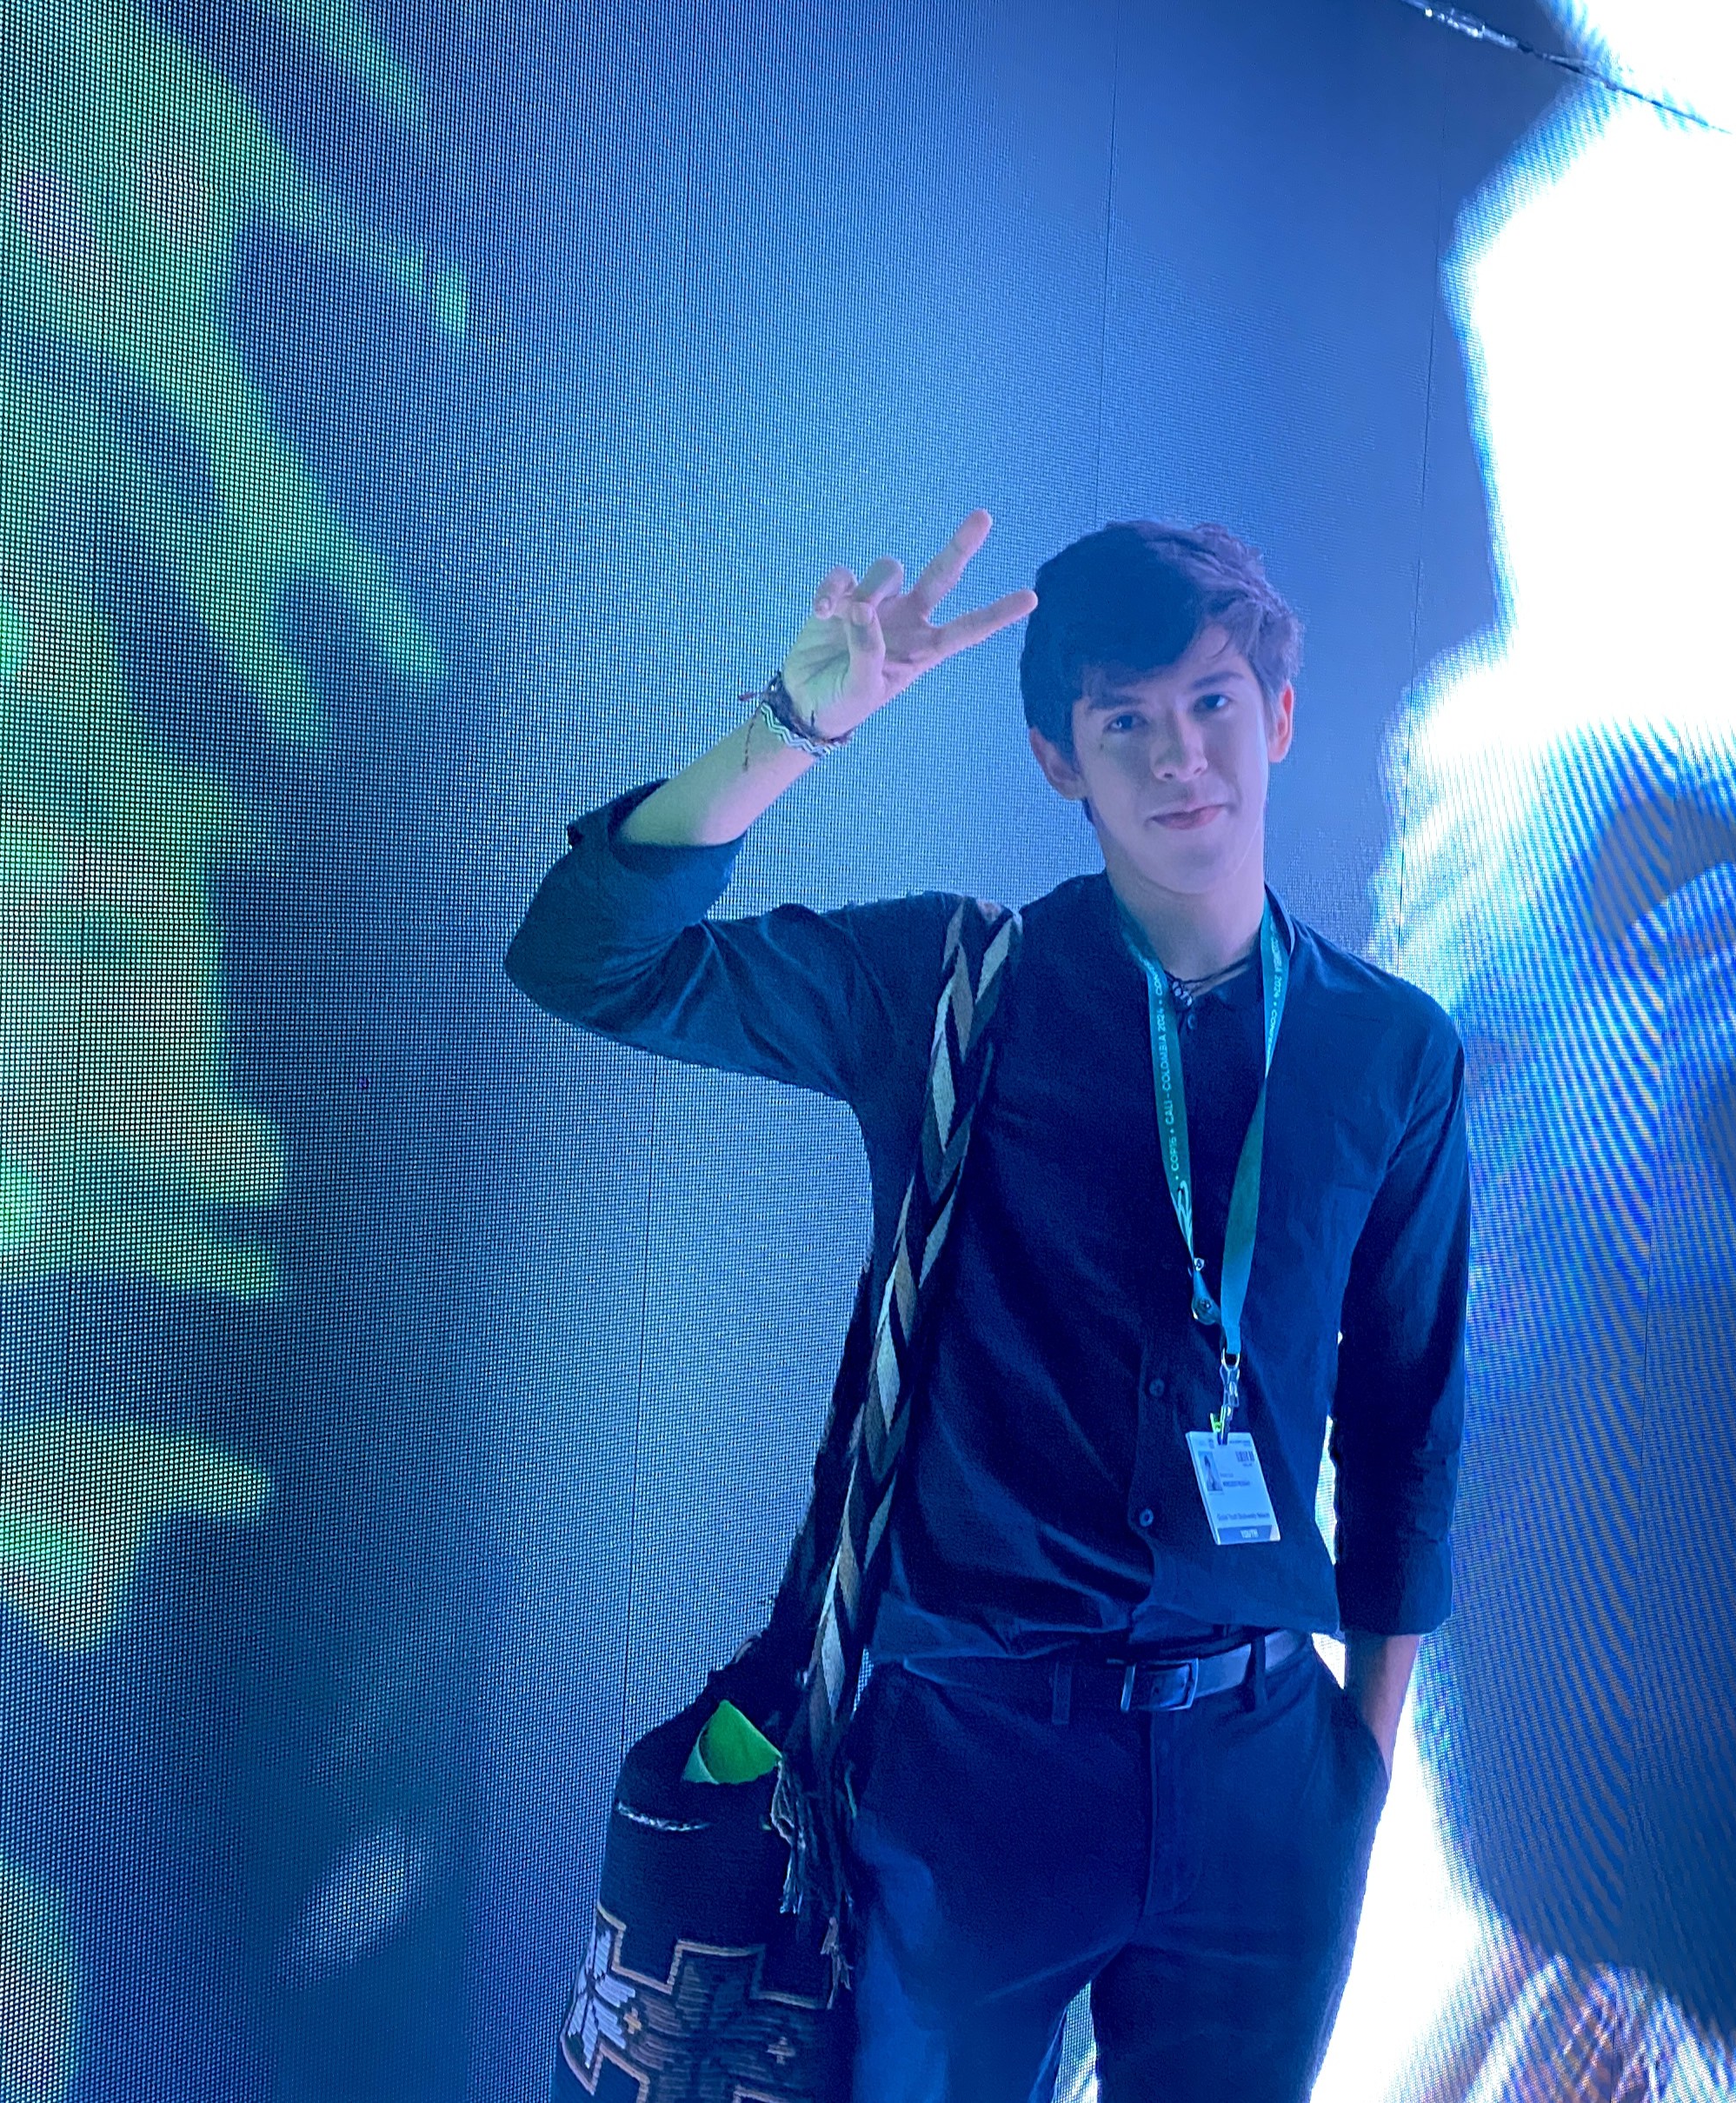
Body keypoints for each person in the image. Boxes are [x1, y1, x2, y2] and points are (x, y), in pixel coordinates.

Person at [505, 509, 1469, 2103]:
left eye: (1215, 703)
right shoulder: (948, 988)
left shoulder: (1389, 1052)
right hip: (972, 1764)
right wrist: (796, 724)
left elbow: (1408, 1419)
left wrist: (1356, 1759)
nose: (1181, 756)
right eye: (1124, 722)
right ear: (1056, 761)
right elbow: (591, 961)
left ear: (1280, 716)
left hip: (1260, 1770)